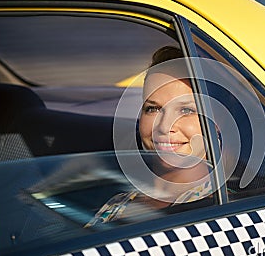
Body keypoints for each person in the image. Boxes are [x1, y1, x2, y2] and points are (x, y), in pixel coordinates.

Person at [85, 46, 212, 227]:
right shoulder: (119, 201)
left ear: (217, 124)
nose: (164, 126)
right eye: (153, 108)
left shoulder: (221, 211)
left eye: (186, 110)